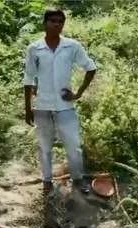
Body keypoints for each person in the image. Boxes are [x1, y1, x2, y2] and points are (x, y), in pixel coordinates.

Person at [23, 9, 97, 195]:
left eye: (60, 22)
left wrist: (78, 93)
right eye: (52, 21)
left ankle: (78, 180)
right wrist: (28, 108)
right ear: (45, 23)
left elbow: (90, 67)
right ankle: (47, 182)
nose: (56, 25)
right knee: (45, 147)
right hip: (43, 105)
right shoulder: (34, 48)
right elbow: (29, 78)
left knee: (73, 146)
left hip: (66, 107)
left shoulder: (71, 46)